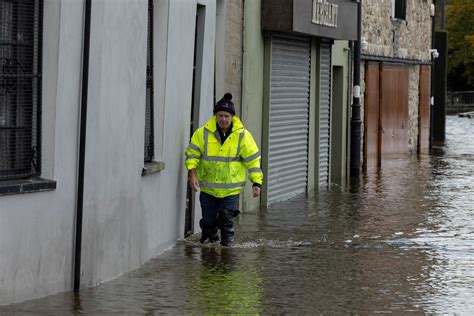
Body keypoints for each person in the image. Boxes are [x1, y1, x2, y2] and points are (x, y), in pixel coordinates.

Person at [185, 93, 263, 246]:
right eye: (220, 115)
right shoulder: (202, 134)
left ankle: (227, 255)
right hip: (208, 189)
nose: (223, 119)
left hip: (230, 190)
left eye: (227, 116)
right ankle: (211, 237)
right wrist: (192, 175)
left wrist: (256, 183)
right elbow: (192, 155)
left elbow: (253, 161)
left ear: (232, 117)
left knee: (226, 221)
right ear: (215, 116)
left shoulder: (243, 136)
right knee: (209, 223)